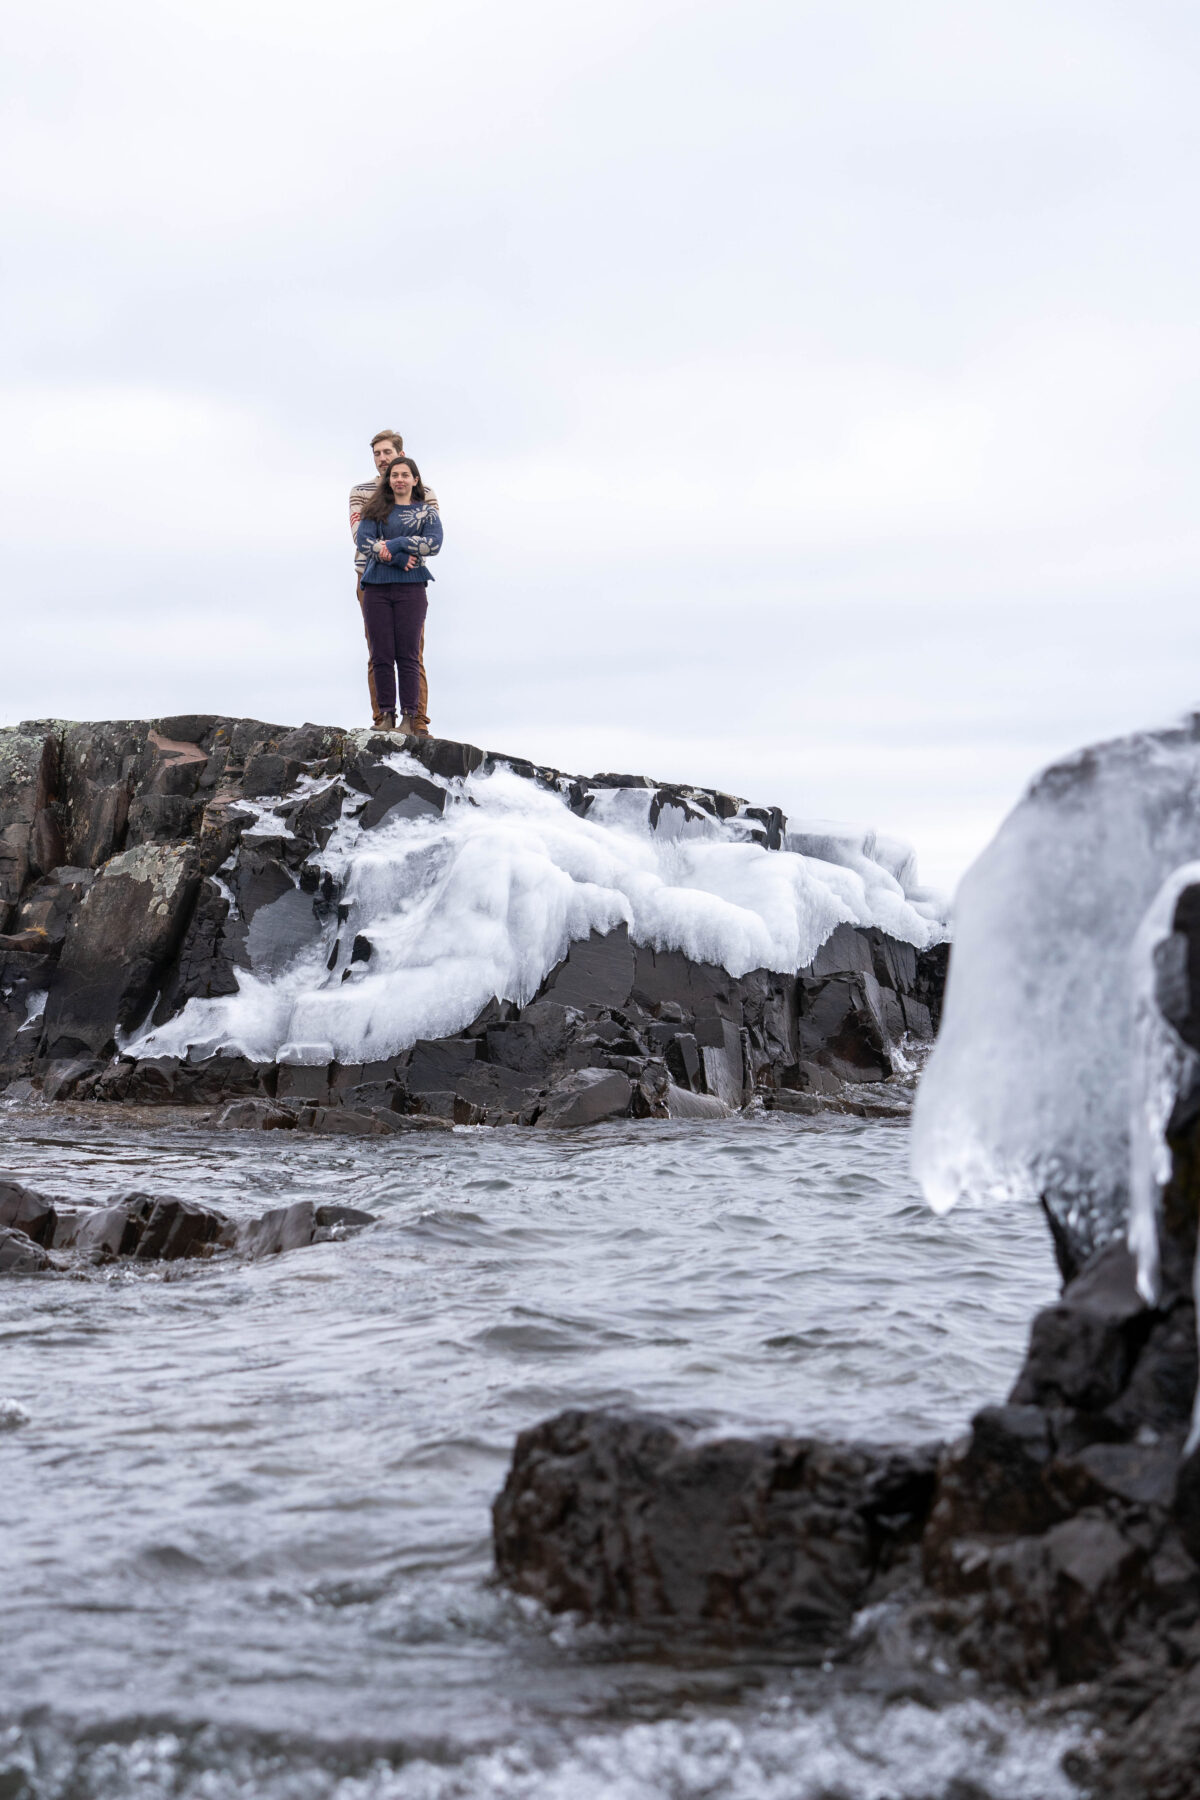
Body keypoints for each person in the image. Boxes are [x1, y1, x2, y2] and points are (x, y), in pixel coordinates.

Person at [349, 431, 439, 732]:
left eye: (387, 452)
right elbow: (360, 537)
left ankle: (416, 722)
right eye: (377, 453)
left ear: (400, 454)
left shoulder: (424, 491)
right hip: (371, 576)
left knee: (412, 652)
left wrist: (399, 547)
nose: (382, 459)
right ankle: (382, 719)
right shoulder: (362, 493)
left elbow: (430, 536)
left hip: (410, 580)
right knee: (379, 651)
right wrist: (396, 555)